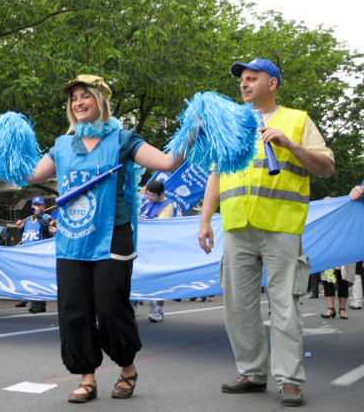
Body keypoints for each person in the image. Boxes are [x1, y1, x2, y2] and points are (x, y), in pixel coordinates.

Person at [25, 74, 183, 403]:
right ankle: (87, 379)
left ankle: (127, 368)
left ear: (101, 101)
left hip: (114, 233)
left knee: (111, 307)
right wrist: (6, 149)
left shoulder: (124, 140)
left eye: (85, 96)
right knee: (74, 309)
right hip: (72, 238)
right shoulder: (61, 145)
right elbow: (29, 175)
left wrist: (191, 132)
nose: (78, 102)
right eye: (74, 99)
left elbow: (168, 162)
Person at [198, 58, 334, 407]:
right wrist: (205, 220)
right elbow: (216, 174)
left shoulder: (297, 120)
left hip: (281, 228)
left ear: (271, 83)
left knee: (285, 305)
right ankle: (252, 372)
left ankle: (290, 380)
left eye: (251, 78)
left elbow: (327, 168)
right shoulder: (232, 125)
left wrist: (290, 145)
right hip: (237, 228)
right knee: (237, 307)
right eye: (242, 79)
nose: (243, 84)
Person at [137, 179, 180, 323]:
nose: (150, 198)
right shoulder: (144, 200)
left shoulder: (168, 206)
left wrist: (141, 220)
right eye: (148, 194)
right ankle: (138, 300)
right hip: (142, 245)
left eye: (153, 195)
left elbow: (160, 225)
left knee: (159, 277)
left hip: (159, 247)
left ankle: (159, 309)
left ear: (161, 194)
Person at [15, 197, 55, 313]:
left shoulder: (46, 217)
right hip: (28, 253)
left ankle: (36, 304)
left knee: (36, 278)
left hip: (40, 252)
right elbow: (24, 235)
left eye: (39, 204)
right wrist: (19, 229)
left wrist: (38, 215)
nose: (36, 206)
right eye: (34, 204)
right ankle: (40, 304)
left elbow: (45, 227)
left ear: (43, 206)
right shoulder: (28, 220)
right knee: (33, 277)